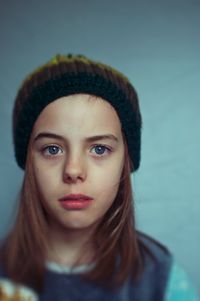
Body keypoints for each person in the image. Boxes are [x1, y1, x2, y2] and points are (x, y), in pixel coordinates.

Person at [0, 54, 198, 301]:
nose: (73, 171)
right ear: (29, 161)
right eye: (52, 149)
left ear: (125, 162)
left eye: (99, 149)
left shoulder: (160, 277)